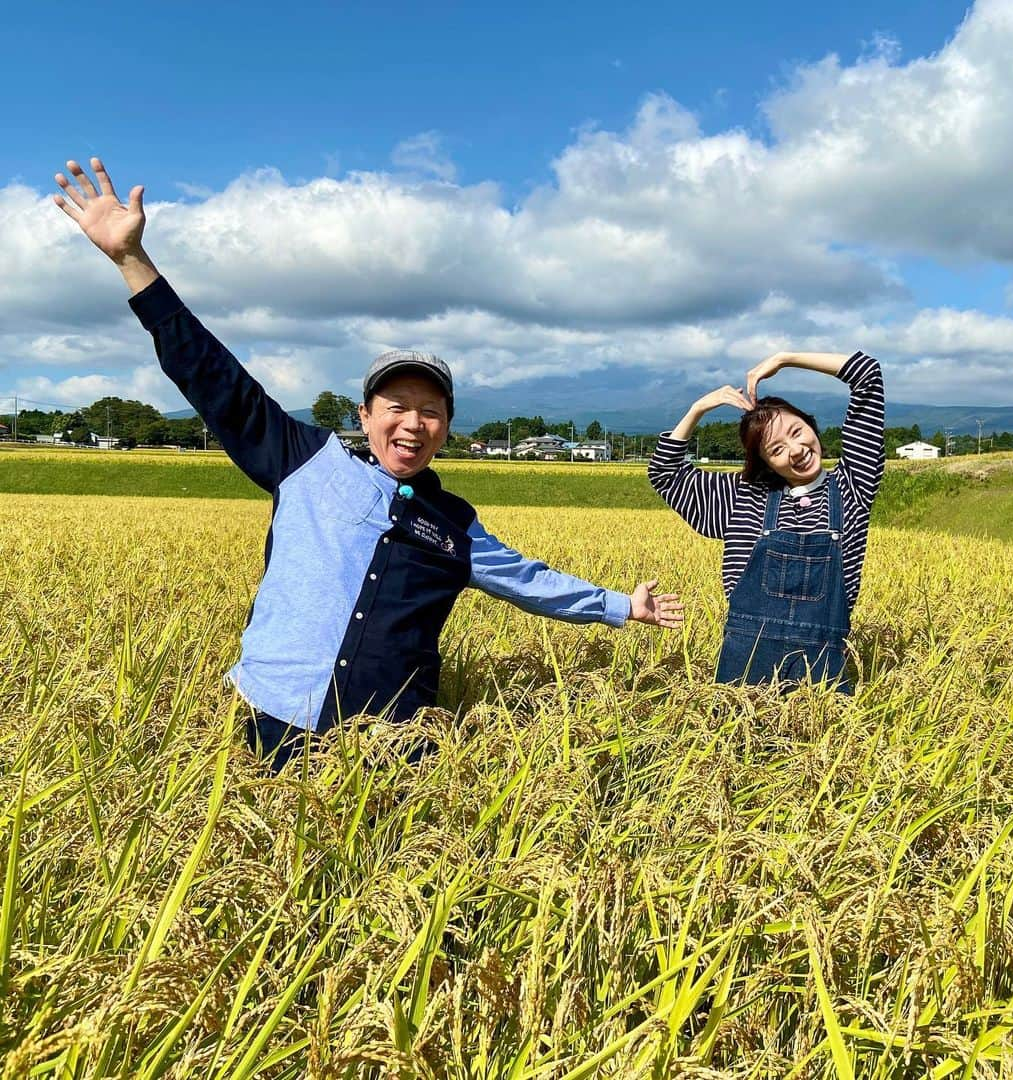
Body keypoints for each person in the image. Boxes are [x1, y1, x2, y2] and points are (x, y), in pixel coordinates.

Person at [55, 158, 684, 771]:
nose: (412, 424)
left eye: (430, 412)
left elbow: (529, 580)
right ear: (364, 414)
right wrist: (132, 260)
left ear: (446, 427)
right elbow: (213, 378)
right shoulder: (304, 460)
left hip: (392, 745)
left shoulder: (454, 523)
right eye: (397, 406)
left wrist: (622, 607)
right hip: (275, 718)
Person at [649, 350, 884, 692]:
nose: (795, 449)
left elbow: (868, 376)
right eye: (776, 449)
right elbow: (665, 474)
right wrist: (698, 409)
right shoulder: (743, 497)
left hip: (822, 663)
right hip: (747, 660)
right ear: (766, 463)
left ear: (812, 425)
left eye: (796, 431)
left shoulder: (852, 487)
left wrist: (786, 359)